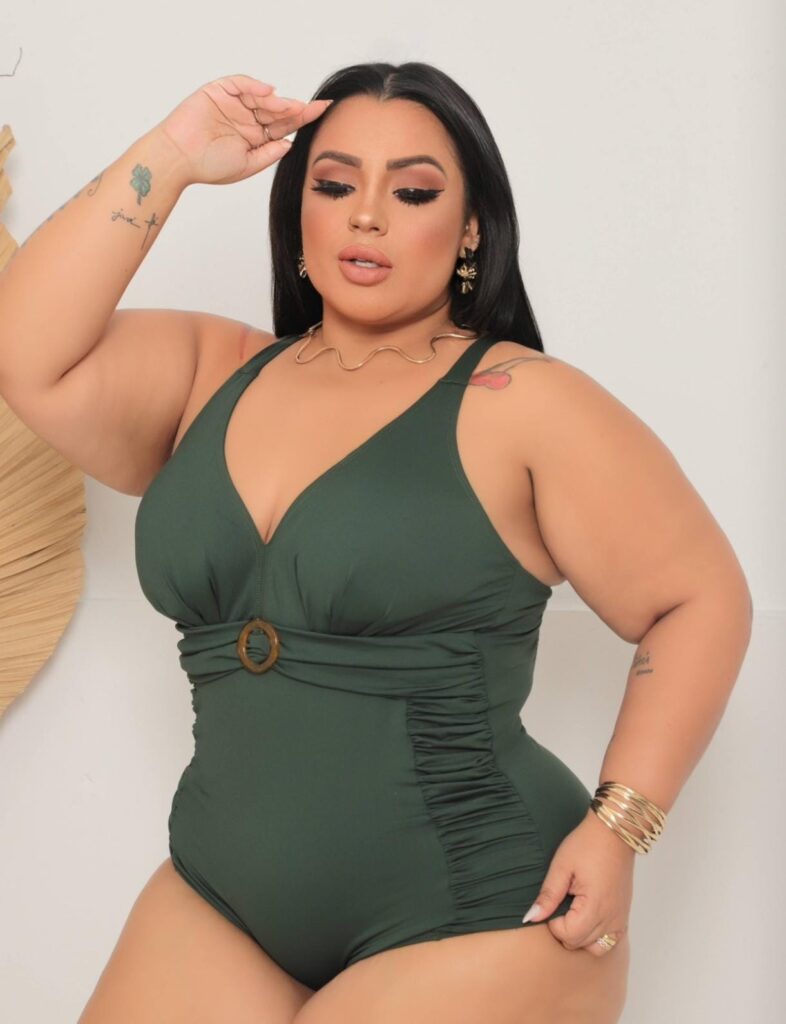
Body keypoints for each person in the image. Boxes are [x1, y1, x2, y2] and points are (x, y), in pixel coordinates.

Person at [0, 62, 751, 1024]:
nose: (366, 215)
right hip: (224, 900)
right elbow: (25, 351)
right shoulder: (211, 373)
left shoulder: (521, 402)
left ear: (471, 228)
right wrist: (175, 153)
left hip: (482, 911)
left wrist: (620, 827)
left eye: (413, 192)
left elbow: (699, 599)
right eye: (334, 183)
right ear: (298, 210)